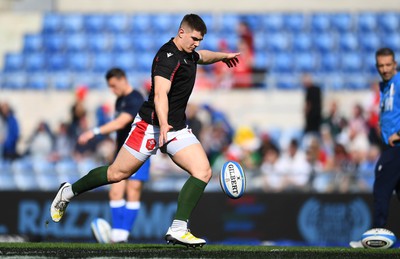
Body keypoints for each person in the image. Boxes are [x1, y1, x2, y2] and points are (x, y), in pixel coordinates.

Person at [50, 14, 240, 248]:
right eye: (194, 38)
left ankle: (179, 228)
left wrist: (223, 57)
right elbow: (160, 94)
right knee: (116, 174)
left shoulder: (190, 54)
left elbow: (203, 56)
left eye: (200, 40)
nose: (197, 44)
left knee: (202, 171)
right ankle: (68, 192)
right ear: (181, 32)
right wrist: (162, 126)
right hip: (150, 126)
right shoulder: (166, 57)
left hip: (176, 128)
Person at [77, 68, 150, 243]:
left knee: (133, 191)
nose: (112, 90)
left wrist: (94, 132)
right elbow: (121, 131)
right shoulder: (119, 101)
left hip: (138, 150)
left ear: (123, 79)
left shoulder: (136, 98)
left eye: (114, 85)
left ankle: (122, 235)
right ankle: (118, 233)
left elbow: (121, 122)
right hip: (121, 151)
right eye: (110, 86)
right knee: (115, 192)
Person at [350, 47, 400, 248]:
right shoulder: (385, 86)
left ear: (395, 64)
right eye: (381, 65)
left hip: (397, 147)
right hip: (390, 146)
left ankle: (375, 235)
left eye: (389, 64)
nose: (385, 69)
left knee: (381, 186)